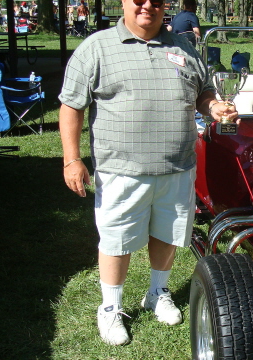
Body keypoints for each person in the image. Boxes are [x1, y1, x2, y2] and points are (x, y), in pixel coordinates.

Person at [58, 0, 238, 346]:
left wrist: (214, 105)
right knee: (116, 240)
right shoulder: (97, 47)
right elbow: (71, 105)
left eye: (155, 0)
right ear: (124, 2)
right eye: (138, 0)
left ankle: (158, 291)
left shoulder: (184, 46)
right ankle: (110, 308)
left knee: (168, 234)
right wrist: (71, 159)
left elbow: (202, 90)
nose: (147, 6)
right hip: (120, 170)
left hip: (178, 166)